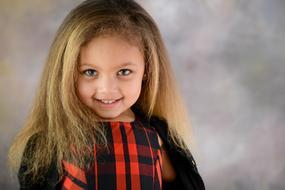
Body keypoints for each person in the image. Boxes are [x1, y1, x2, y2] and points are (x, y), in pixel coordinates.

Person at [8, 0, 205, 189]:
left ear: (147, 70)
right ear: (66, 73)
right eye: (90, 72)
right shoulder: (55, 141)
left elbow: (178, 182)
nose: (107, 89)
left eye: (124, 72)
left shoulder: (156, 137)